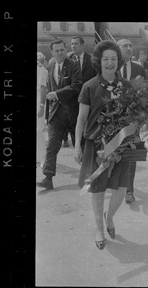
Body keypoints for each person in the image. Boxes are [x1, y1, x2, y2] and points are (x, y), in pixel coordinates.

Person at [74, 40, 131, 250]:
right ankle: (99, 228)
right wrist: (78, 147)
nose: (109, 63)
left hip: (121, 147)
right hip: (96, 147)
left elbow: (133, 117)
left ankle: (109, 218)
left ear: (119, 61)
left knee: (121, 189)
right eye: (105, 59)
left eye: (113, 59)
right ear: (99, 62)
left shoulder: (127, 86)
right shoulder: (89, 86)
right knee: (96, 190)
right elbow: (81, 119)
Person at [37, 39, 83, 190]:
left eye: (62, 49)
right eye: (56, 50)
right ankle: (48, 178)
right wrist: (47, 112)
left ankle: (89, 176)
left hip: (73, 113)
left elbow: (76, 86)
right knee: (51, 146)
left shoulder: (74, 64)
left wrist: (56, 94)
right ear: (52, 53)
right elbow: (48, 89)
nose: (60, 52)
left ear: (65, 49)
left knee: (80, 144)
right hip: (56, 114)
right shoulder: (49, 66)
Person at [117, 39, 146, 204]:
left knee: (132, 153)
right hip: (114, 118)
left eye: (130, 45)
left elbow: (145, 93)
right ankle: (116, 185)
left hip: (133, 119)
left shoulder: (139, 68)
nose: (129, 48)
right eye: (125, 46)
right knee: (114, 151)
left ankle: (129, 190)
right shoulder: (111, 67)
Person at [63, 36, 97, 148]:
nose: (73, 46)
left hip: (88, 100)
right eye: (72, 44)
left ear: (83, 45)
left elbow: (96, 78)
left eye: (76, 44)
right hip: (73, 100)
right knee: (73, 125)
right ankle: (78, 148)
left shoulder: (91, 60)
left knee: (88, 125)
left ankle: (87, 149)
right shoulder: (67, 60)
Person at [37, 52, 48, 168]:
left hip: (38, 100)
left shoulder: (41, 69)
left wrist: (41, 105)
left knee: (38, 131)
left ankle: (43, 158)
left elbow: (43, 87)